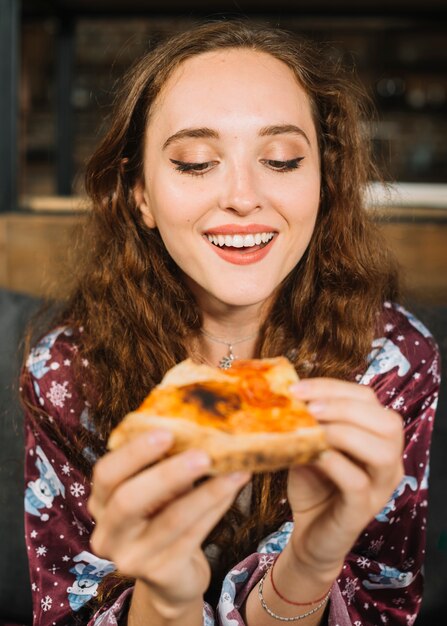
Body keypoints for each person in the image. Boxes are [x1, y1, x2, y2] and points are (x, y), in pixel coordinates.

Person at [21, 19, 440, 626]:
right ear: (140, 194)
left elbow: (383, 604)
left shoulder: (395, 361)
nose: (243, 195)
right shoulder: (66, 370)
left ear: (323, 182)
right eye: (195, 162)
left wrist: (315, 559)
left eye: (282, 158)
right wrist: (165, 598)